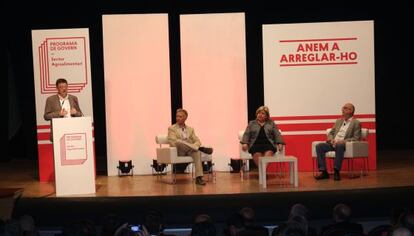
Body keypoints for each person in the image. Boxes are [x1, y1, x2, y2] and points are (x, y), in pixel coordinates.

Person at [314, 103, 361, 181]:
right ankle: (324, 172)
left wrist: (342, 141)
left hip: (344, 145)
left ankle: (336, 171)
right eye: (343, 108)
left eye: (345, 108)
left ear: (350, 111)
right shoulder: (338, 121)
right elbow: (331, 133)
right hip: (333, 143)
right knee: (319, 146)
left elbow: (356, 138)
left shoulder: (356, 123)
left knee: (339, 145)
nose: (342, 110)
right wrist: (331, 139)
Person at [167, 108, 213, 186]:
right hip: (179, 150)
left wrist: (193, 145)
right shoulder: (171, 128)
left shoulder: (190, 129)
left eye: (180, 116)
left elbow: (197, 141)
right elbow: (173, 142)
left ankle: (199, 178)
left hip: (189, 150)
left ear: (185, 118)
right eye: (177, 116)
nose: (178, 118)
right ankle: (200, 148)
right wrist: (189, 144)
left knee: (197, 152)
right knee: (178, 142)